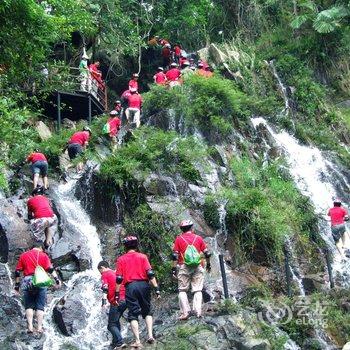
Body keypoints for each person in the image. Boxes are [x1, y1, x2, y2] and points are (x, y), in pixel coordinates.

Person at [116, 236, 160, 348]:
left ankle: (138, 341)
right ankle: (150, 336)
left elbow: (119, 278)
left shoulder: (121, 259)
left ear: (125, 246)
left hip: (131, 286)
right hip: (144, 285)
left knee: (133, 314)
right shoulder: (143, 256)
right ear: (136, 245)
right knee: (147, 311)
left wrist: (117, 293)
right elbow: (150, 274)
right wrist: (156, 288)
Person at [14, 241, 61, 334]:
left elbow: (17, 271)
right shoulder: (43, 255)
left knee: (29, 305)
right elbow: (50, 269)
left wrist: (17, 286)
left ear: (32, 247)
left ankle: (30, 326)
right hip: (40, 281)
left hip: (27, 281)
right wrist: (57, 280)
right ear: (40, 247)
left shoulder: (24, 255)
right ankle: (39, 328)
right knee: (40, 306)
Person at [172, 220, 211, 320]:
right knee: (198, 289)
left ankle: (185, 312)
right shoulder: (198, 238)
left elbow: (175, 255)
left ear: (181, 229)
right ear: (192, 228)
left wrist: (173, 269)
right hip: (198, 266)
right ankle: (197, 312)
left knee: (182, 290)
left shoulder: (178, 239)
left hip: (184, 266)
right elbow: (207, 253)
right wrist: (208, 264)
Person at [98, 261, 127, 349]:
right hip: (125, 299)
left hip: (116, 300)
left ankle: (120, 342)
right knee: (116, 321)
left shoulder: (105, 274)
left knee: (111, 325)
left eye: (100, 271)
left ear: (102, 267)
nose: (100, 273)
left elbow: (105, 288)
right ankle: (115, 342)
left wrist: (103, 302)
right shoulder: (115, 272)